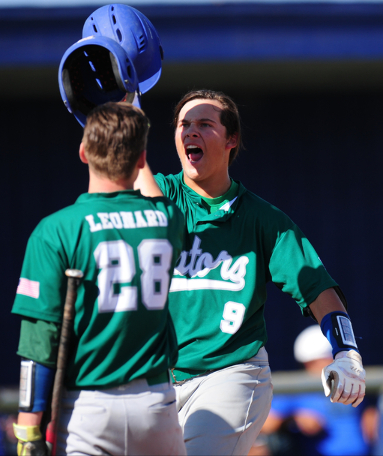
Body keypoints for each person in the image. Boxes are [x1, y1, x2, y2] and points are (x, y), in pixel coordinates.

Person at [134, 89, 366, 456]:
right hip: (157, 381)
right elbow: (137, 189)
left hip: (231, 374)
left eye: (205, 124)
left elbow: (317, 288)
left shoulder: (262, 219)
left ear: (232, 140)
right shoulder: (161, 192)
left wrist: (347, 352)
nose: (191, 132)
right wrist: (125, 108)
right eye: (184, 124)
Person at [11, 102, 187, 456]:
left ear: (82, 152)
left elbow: (39, 341)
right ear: (141, 160)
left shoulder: (56, 229)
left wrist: (29, 427)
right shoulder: (168, 219)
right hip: (157, 406)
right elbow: (154, 198)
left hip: (87, 409)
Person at [256, 325, 369, 456]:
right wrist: (294, 419)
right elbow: (266, 424)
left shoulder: (349, 383)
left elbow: (363, 419)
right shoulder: (297, 389)